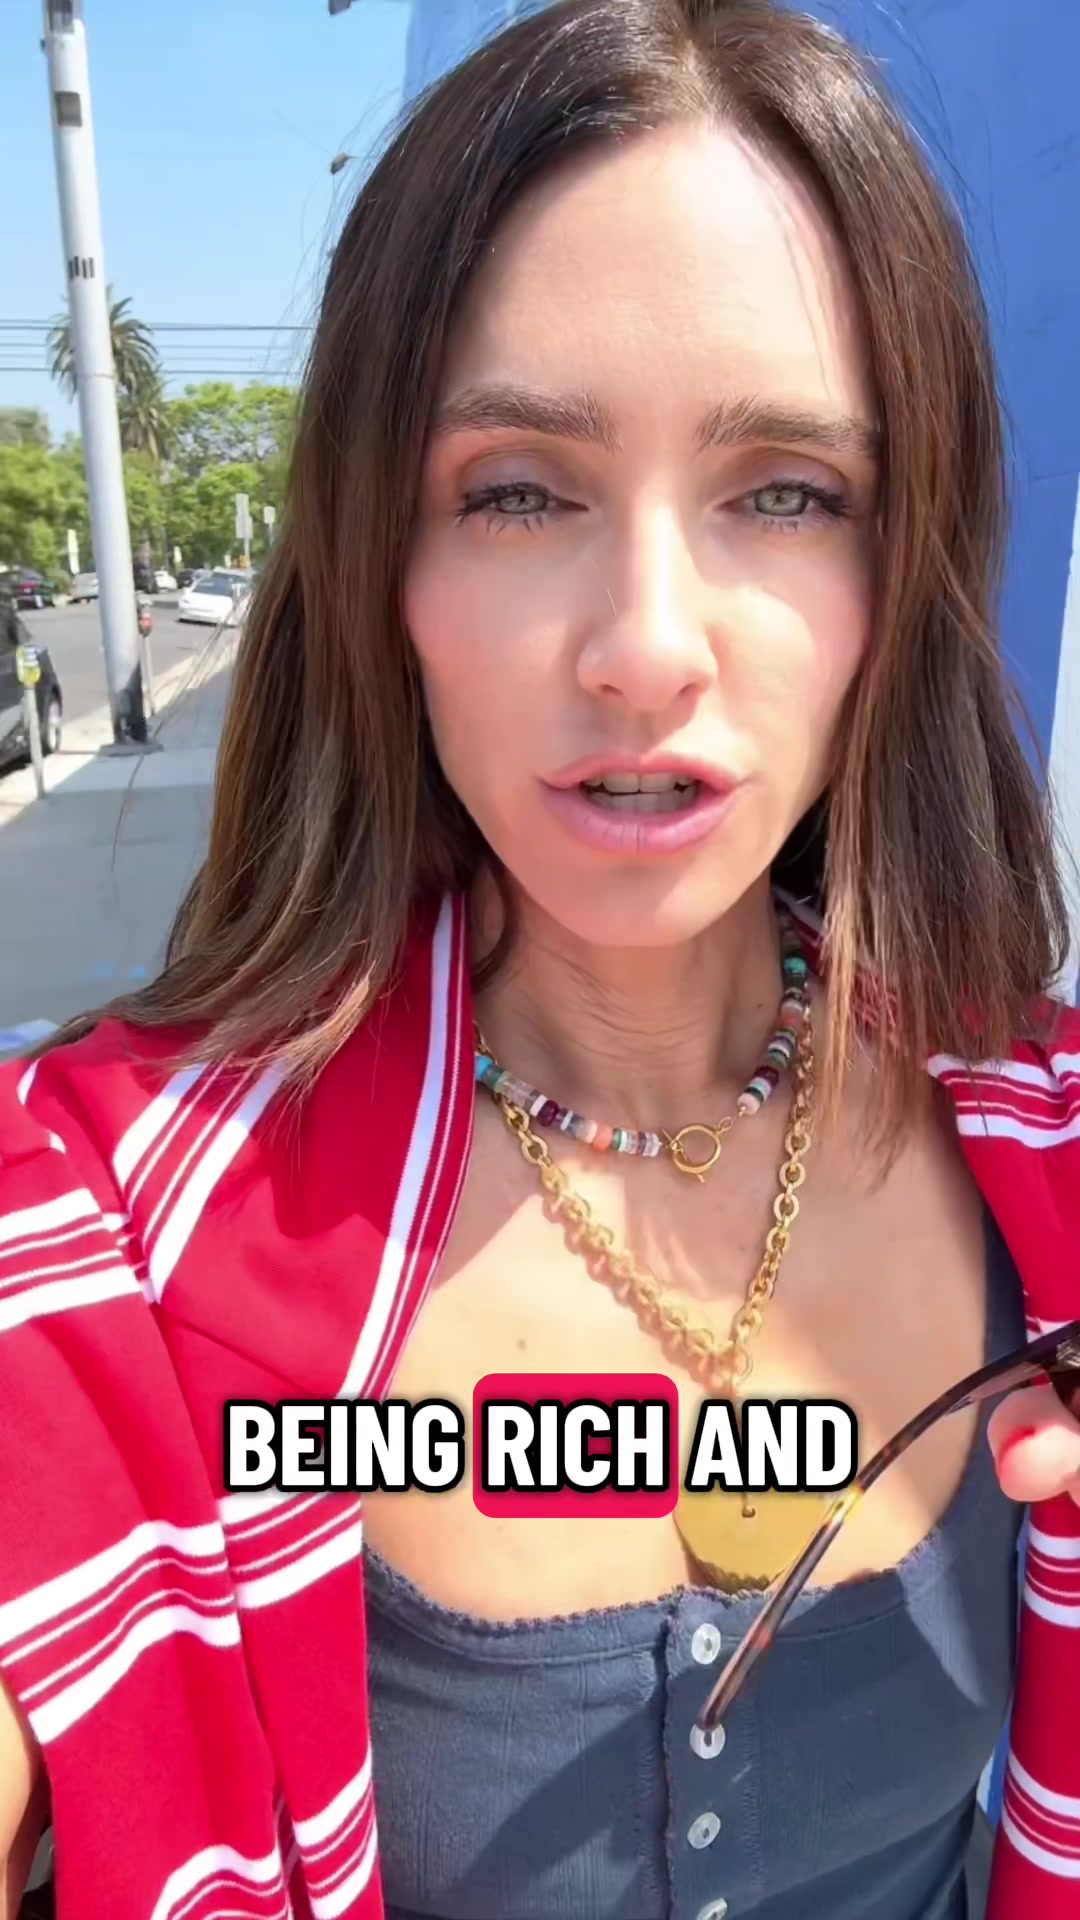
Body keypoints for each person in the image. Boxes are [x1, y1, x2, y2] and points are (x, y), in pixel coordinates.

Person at [2, 2, 1079, 1916]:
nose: (645, 645)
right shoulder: (108, 1239)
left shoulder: (1049, 1160)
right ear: (382, 571)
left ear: (897, 571)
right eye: (517, 488)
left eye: (785, 491)